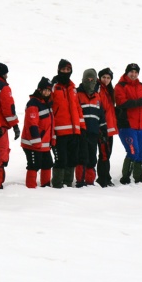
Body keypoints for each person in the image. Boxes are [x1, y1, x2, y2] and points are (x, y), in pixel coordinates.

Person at [49, 59, 86, 188]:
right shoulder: (53, 86)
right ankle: (58, 184)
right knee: (61, 159)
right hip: (59, 131)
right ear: (58, 70)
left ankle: (68, 184)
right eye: (63, 69)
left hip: (74, 131)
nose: (65, 72)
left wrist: (82, 126)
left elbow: (77, 108)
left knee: (72, 159)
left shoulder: (73, 88)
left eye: (68, 70)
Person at [113, 63, 142, 184]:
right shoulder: (120, 86)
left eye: (136, 72)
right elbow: (121, 102)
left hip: (140, 125)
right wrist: (140, 102)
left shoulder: (141, 86)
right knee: (132, 151)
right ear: (127, 72)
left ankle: (138, 178)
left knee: (140, 153)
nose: (134, 74)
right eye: (131, 72)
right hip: (127, 124)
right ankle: (125, 178)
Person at [0, 62, 20, 190]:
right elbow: (8, 109)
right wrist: (15, 126)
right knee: (0, 156)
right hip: (0, 127)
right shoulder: (3, 87)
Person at [20, 77, 55, 188]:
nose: (47, 92)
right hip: (32, 144)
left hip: (44, 144)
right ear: (39, 89)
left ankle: (45, 186)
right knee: (34, 165)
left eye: (49, 90)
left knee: (48, 163)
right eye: (45, 90)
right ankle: (31, 188)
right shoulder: (33, 103)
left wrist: (52, 138)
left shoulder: (47, 103)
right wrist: (36, 141)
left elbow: (50, 124)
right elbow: (32, 124)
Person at [75, 69, 107, 187]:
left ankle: (90, 180)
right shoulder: (77, 94)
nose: (90, 82)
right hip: (81, 132)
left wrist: (103, 131)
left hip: (93, 132)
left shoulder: (97, 97)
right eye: (88, 79)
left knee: (92, 158)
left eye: (92, 80)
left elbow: (101, 116)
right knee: (81, 157)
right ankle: (80, 180)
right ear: (83, 79)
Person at [93, 68, 119, 187]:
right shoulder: (98, 88)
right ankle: (102, 178)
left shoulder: (109, 90)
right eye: (104, 77)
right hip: (102, 127)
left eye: (108, 78)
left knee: (107, 153)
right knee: (103, 153)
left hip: (109, 127)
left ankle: (106, 176)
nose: (106, 80)